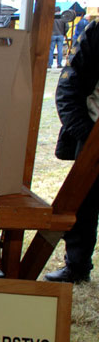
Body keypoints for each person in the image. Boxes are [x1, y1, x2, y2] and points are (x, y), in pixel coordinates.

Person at [44, 20, 99, 284]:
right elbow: (68, 87)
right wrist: (86, 135)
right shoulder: (96, 32)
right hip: (92, 135)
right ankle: (77, 266)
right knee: (83, 204)